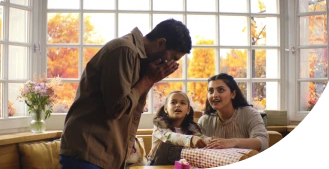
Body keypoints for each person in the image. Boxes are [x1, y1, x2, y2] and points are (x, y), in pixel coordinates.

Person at [59, 19, 192, 169]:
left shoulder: (138, 60)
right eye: (173, 58)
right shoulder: (124, 50)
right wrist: (148, 79)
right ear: (161, 43)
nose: (170, 64)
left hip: (102, 154)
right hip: (87, 151)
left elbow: (130, 109)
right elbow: (117, 108)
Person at [198, 73, 269, 152]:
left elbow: (263, 142)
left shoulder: (250, 114)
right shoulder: (204, 121)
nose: (214, 95)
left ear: (233, 94)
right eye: (211, 91)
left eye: (220, 90)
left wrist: (232, 142)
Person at [147, 91, 211, 165]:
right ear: (165, 109)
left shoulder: (191, 127)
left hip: (180, 164)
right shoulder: (160, 125)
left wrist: (209, 140)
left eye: (182, 103)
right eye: (173, 102)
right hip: (157, 165)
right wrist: (191, 139)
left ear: (188, 110)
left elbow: (200, 137)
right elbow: (169, 136)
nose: (178, 105)